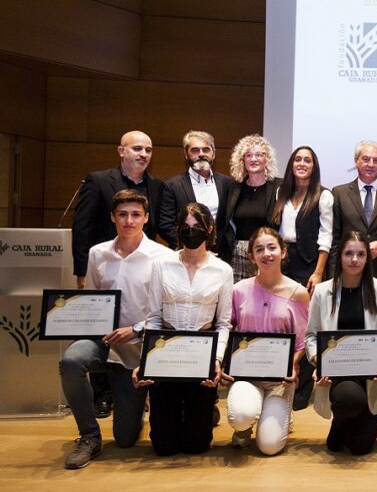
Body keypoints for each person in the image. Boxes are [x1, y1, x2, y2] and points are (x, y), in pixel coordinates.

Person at [60, 189, 174, 469]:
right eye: (122, 214)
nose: (129, 221)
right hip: (104, 341)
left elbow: (169, 312)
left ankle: (136, 412)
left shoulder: (163, 257)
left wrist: (135, 329)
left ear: (146, 218)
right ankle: (89, 435)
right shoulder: (98, 254)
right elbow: (94, 302)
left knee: (125, 439)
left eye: (136, 214)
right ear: (112, 217)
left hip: (139, 347)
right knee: (71, 360)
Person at [70, 130, 165, 418]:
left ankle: (138, 394)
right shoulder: (98, 181)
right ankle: (103, 393)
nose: (143, 154)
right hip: (105, 266)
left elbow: (160, 226)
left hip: (142, 265)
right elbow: (82, 226)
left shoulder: (157, 186)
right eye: (137, 148)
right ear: (120, 151)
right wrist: (81, 271)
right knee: (101, 330)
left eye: (148, 150)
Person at [137, 203, 233, 456]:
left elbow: (223, 323)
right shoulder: (161, 265)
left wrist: (217, 359)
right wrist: (146, 361)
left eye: (197, 228)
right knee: (164, 447)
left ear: (209, 229)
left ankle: (205, 409)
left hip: (201, 353)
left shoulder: (223, 270)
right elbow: (153, 318)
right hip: (166, 350)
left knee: (196, 446)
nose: (191, 233)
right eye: (186, 228)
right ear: (178, 230)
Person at [306, 231, 377, 455]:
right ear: (340, 257)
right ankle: (341, 420)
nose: (354, 260)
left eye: (360, 254)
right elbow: (311, 336)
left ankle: (344, 426)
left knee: (360, 447)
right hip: (336, 375)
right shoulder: (322, 292)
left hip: (371, 374)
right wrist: (318, 360)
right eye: (348, 254)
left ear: (367, 258)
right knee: (349, 398)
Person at [225, 227, 309, 455]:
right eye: (259, 249)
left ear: (283, 252)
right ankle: (244, 428)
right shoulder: (238, 290)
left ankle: (282, 412)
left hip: (279, 379)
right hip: (246, 375)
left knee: (269, 446)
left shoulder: (298, 293)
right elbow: (229, 330)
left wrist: (292, 363)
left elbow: (302, 342)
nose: (266, 254)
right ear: (251, 256)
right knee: (241, 416)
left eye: (272, 248)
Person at [269, 145, 333, 410]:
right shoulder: (280, 192)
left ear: (314, 166)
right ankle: (282, 378)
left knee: (306, 326)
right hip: (283, 260)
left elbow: (326, 236)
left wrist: (318, 272)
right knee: (283, 322)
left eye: (307, 160)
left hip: (310, 264)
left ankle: (303, 387)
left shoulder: (324, 196)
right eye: (298, 159)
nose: (302, 163)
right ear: (291, 164)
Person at [329, 140, 377, 300]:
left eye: (376, 160)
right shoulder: (339, 193)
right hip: (348, 273)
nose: (371, 164)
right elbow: (334, 240)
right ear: (356, 161)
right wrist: (333, 276)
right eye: (366, 159)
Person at [159, 130, 235, 251]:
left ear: (213, 154)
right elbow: (165, 224)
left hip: (221, 254)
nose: (201, 154)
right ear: (186, 154)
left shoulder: (227, 183)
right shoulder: (172, 186)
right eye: (195, 150)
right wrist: (189, 244)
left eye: (206, 150)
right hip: (186, 254)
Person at [222, 134, 280, 280]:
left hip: (267, 252)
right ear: (242, 160)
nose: (253, 159)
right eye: (248, 155)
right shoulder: (234, 188)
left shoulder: (279, 187)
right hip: (239, 254)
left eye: (259, 155)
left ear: (267, 159)